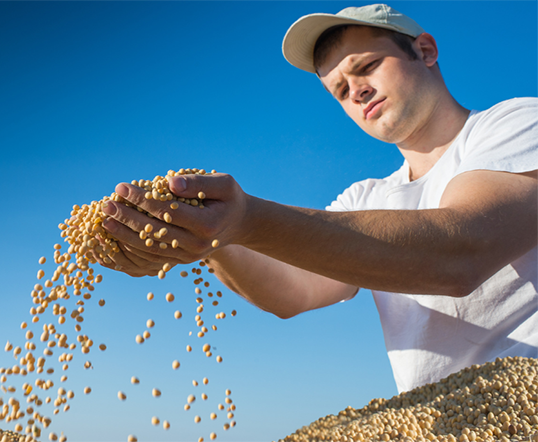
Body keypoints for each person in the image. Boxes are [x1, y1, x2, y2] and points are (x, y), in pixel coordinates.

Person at [98, 4, 538, 393]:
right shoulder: (367, 197)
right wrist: (205, 236)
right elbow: (292, 291)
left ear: (424, 51)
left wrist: (244, 219)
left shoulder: (514, 123)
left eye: (366, 66)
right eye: (341, 90)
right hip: (441, 421)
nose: (357, 91)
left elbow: (460, 253)